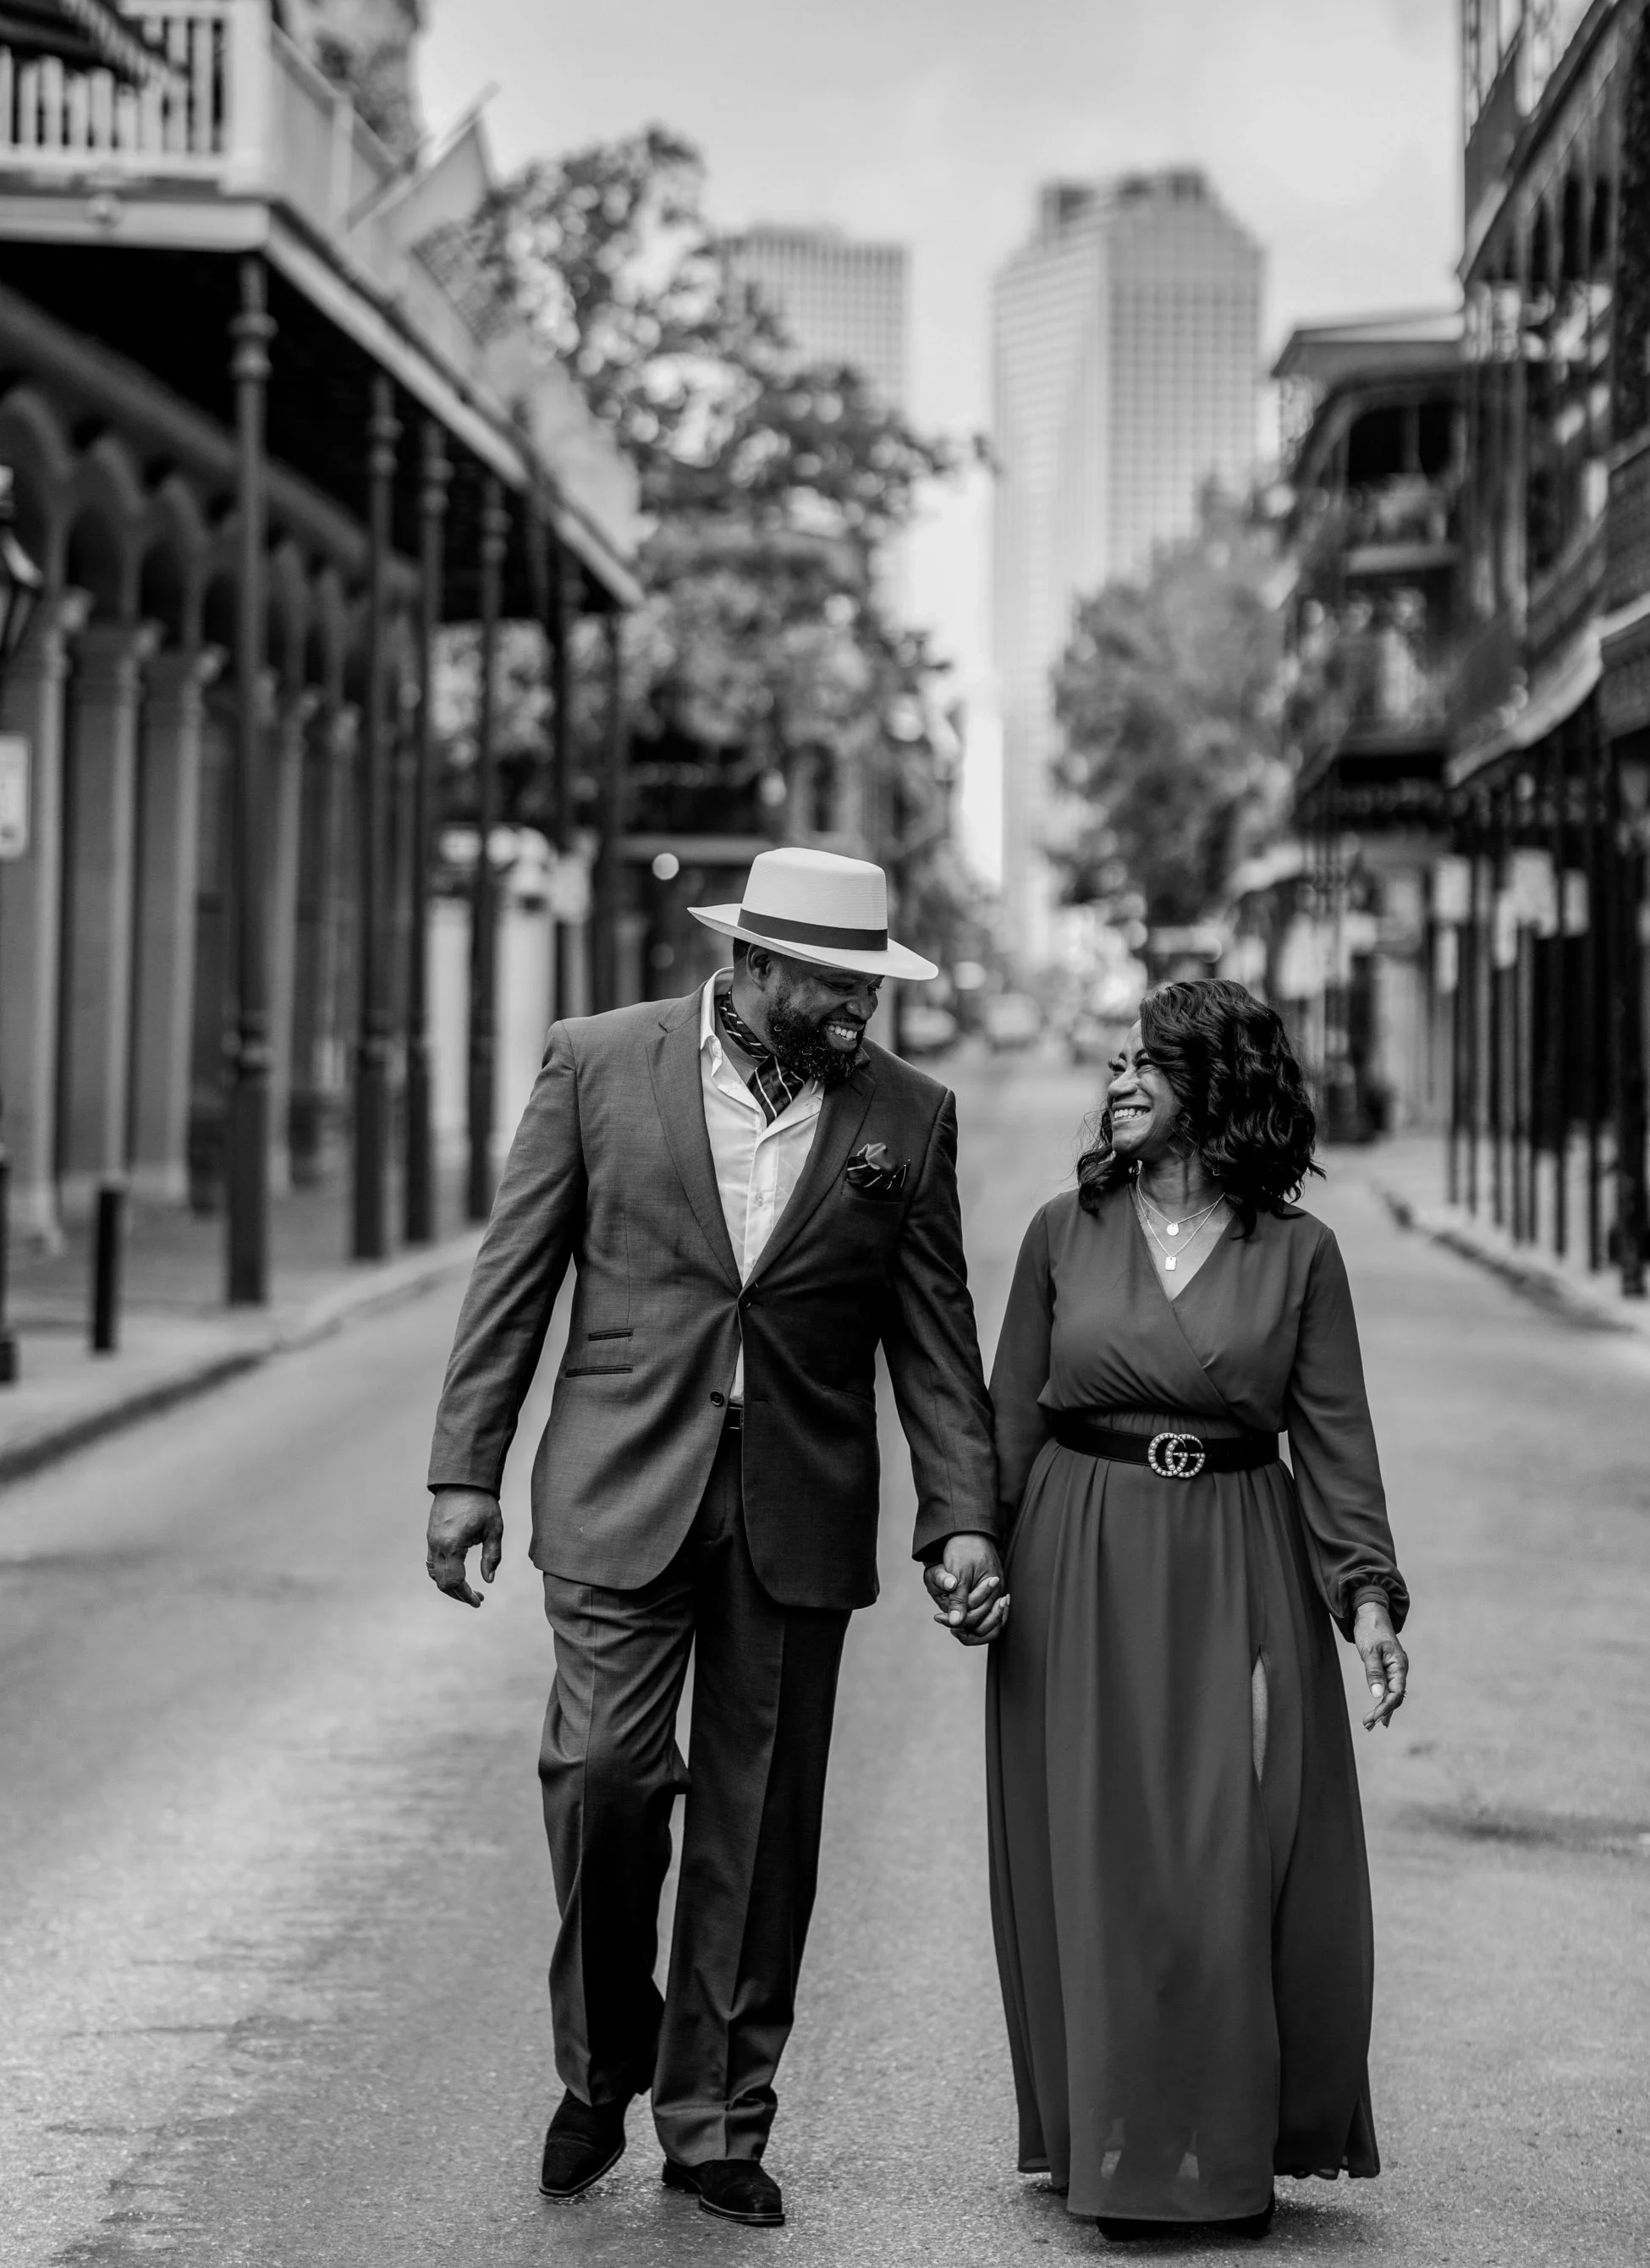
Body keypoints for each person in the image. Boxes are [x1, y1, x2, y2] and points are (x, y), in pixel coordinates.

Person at [424, 846, 1006, 2230]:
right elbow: (517, 1277)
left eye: (869, 981)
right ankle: (602, 2058)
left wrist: (961, 1515)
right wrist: (466, 1471)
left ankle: (716, 2123)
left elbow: (935, 1343)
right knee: (604, 1775)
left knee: (760, 1828)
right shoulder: (597, 1062)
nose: (857, 1008)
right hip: (620, 1482)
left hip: (794, 1506)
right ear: (750, 966)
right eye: (831, 983)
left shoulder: (906, 1118)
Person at [986, 979, 1409, 2241]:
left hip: (1238, 1560)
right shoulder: (1061, 1229)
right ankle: (1117, 2154)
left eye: (1142, 1064)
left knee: (1231, 1856)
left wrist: (1369, 1597)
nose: (1114, 1081)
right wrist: (966, 1549)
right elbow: (1008, 1415)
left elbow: (1333, 1441)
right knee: (1108, 1867)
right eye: (1110, 1063)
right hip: (1080, 1561)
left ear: (1212, 1085)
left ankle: (1222, 2153)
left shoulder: (1298, 1254)